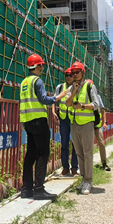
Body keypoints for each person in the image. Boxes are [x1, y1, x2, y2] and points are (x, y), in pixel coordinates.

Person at [20, 54, 71, 200]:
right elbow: (43, 99)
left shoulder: (24, 82)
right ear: (36, 66)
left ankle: (27, 189)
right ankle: (39, 189)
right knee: (42, 153)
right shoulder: (37, 81)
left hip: (27, 121)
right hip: (38, 121)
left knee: (30, 154)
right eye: (41, 65)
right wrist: (59, 97)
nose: (43, 68)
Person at [65, 61, 100, 194]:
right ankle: (83, 179)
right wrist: (73, 91)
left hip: (86, 123)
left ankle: (89, 180)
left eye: (77, 72)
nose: (74, 75)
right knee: (79, 153)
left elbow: (96, 104)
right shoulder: (71, 88)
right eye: (72, 73)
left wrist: (83, 106)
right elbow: (67, 103)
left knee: (87, 152)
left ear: (83, 73)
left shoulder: (90, 86)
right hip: (74, 123)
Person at [51, 68, 79, 176]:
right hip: (63, 118)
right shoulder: (60, 87)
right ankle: (65, 167)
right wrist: (53, 112)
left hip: (74, 118)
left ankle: (74, 168)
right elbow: (54, 99)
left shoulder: (77, 87)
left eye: (70, 75)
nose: (68, 77)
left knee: (75, 144)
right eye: (66, 75)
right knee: (64, 144)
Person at [94, 93, 110, 171]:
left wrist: (105, 122)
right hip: (87, 125)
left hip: (97, 125)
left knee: (101, 143)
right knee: (87, 146)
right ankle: (87, 166)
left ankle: (104, 163)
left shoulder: (98, 97)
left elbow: (103, 111)